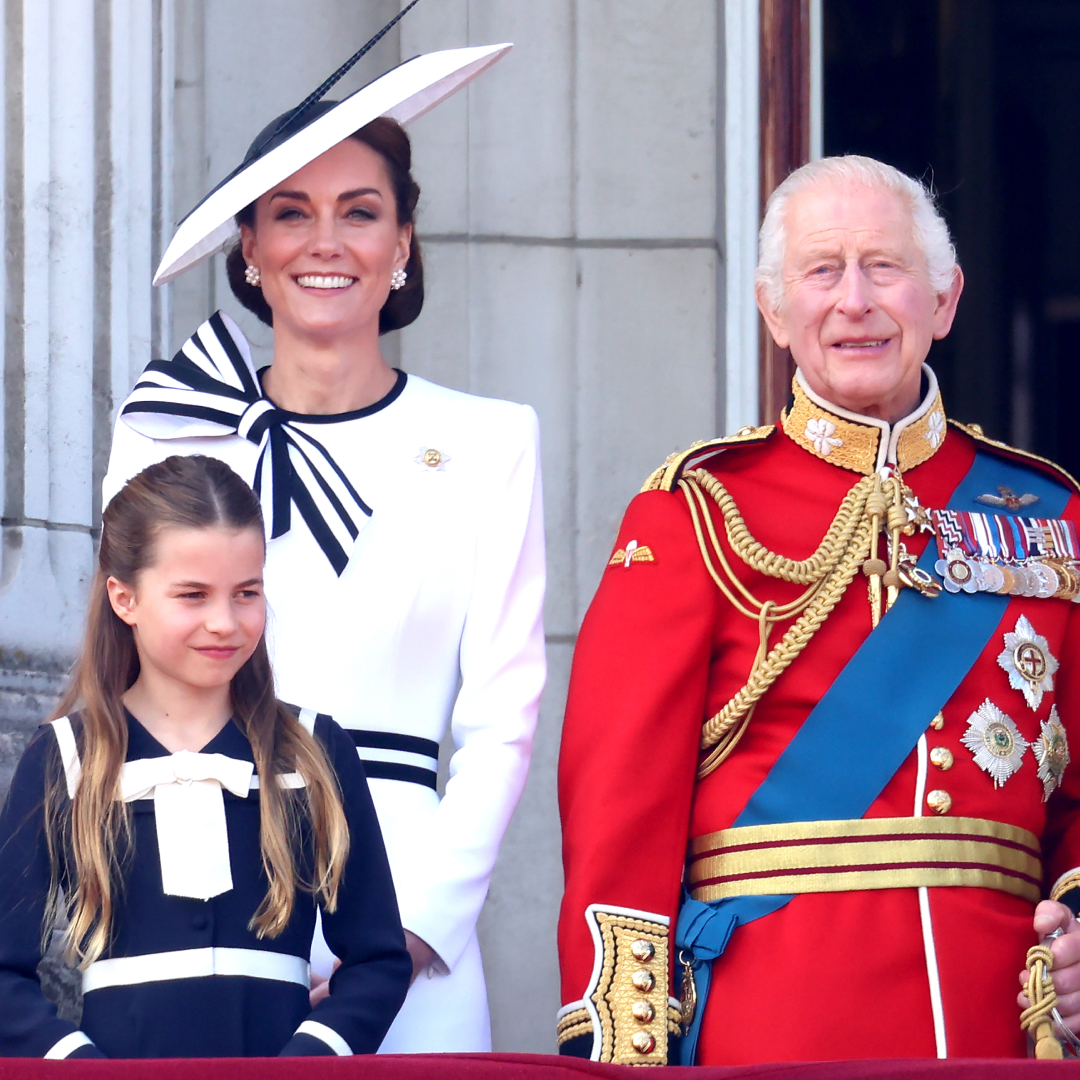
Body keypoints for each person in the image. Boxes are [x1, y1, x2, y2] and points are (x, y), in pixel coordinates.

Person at [556, 155, 1080, 1065]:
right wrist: (625, 1053)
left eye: (885, 266)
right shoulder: (695, 513)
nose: (855, 301)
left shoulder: (1049, 517)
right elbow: (618, 818)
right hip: (769, 1022)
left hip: (995, 1025)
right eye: (822, 270)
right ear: (774, 311)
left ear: (945, 300)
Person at [103, 38, 545, 1054]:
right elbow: (126, 670)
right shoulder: (169, 429)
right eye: (291, 213)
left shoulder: (491, 441)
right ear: (249, 250)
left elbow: (502, 719)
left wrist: (414, 926)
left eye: (360, 211)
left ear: (402, 245)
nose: (326, 241)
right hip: (197, 894)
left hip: (407, 912)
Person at [0, 455, 410, 1058]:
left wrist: (310, 1062)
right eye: (193, 595)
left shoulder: (318, 750)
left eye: (246, 593)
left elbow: (377, 958)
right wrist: (81, 1070)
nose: (225, 622)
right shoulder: (62, 757)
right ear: (124, 598)